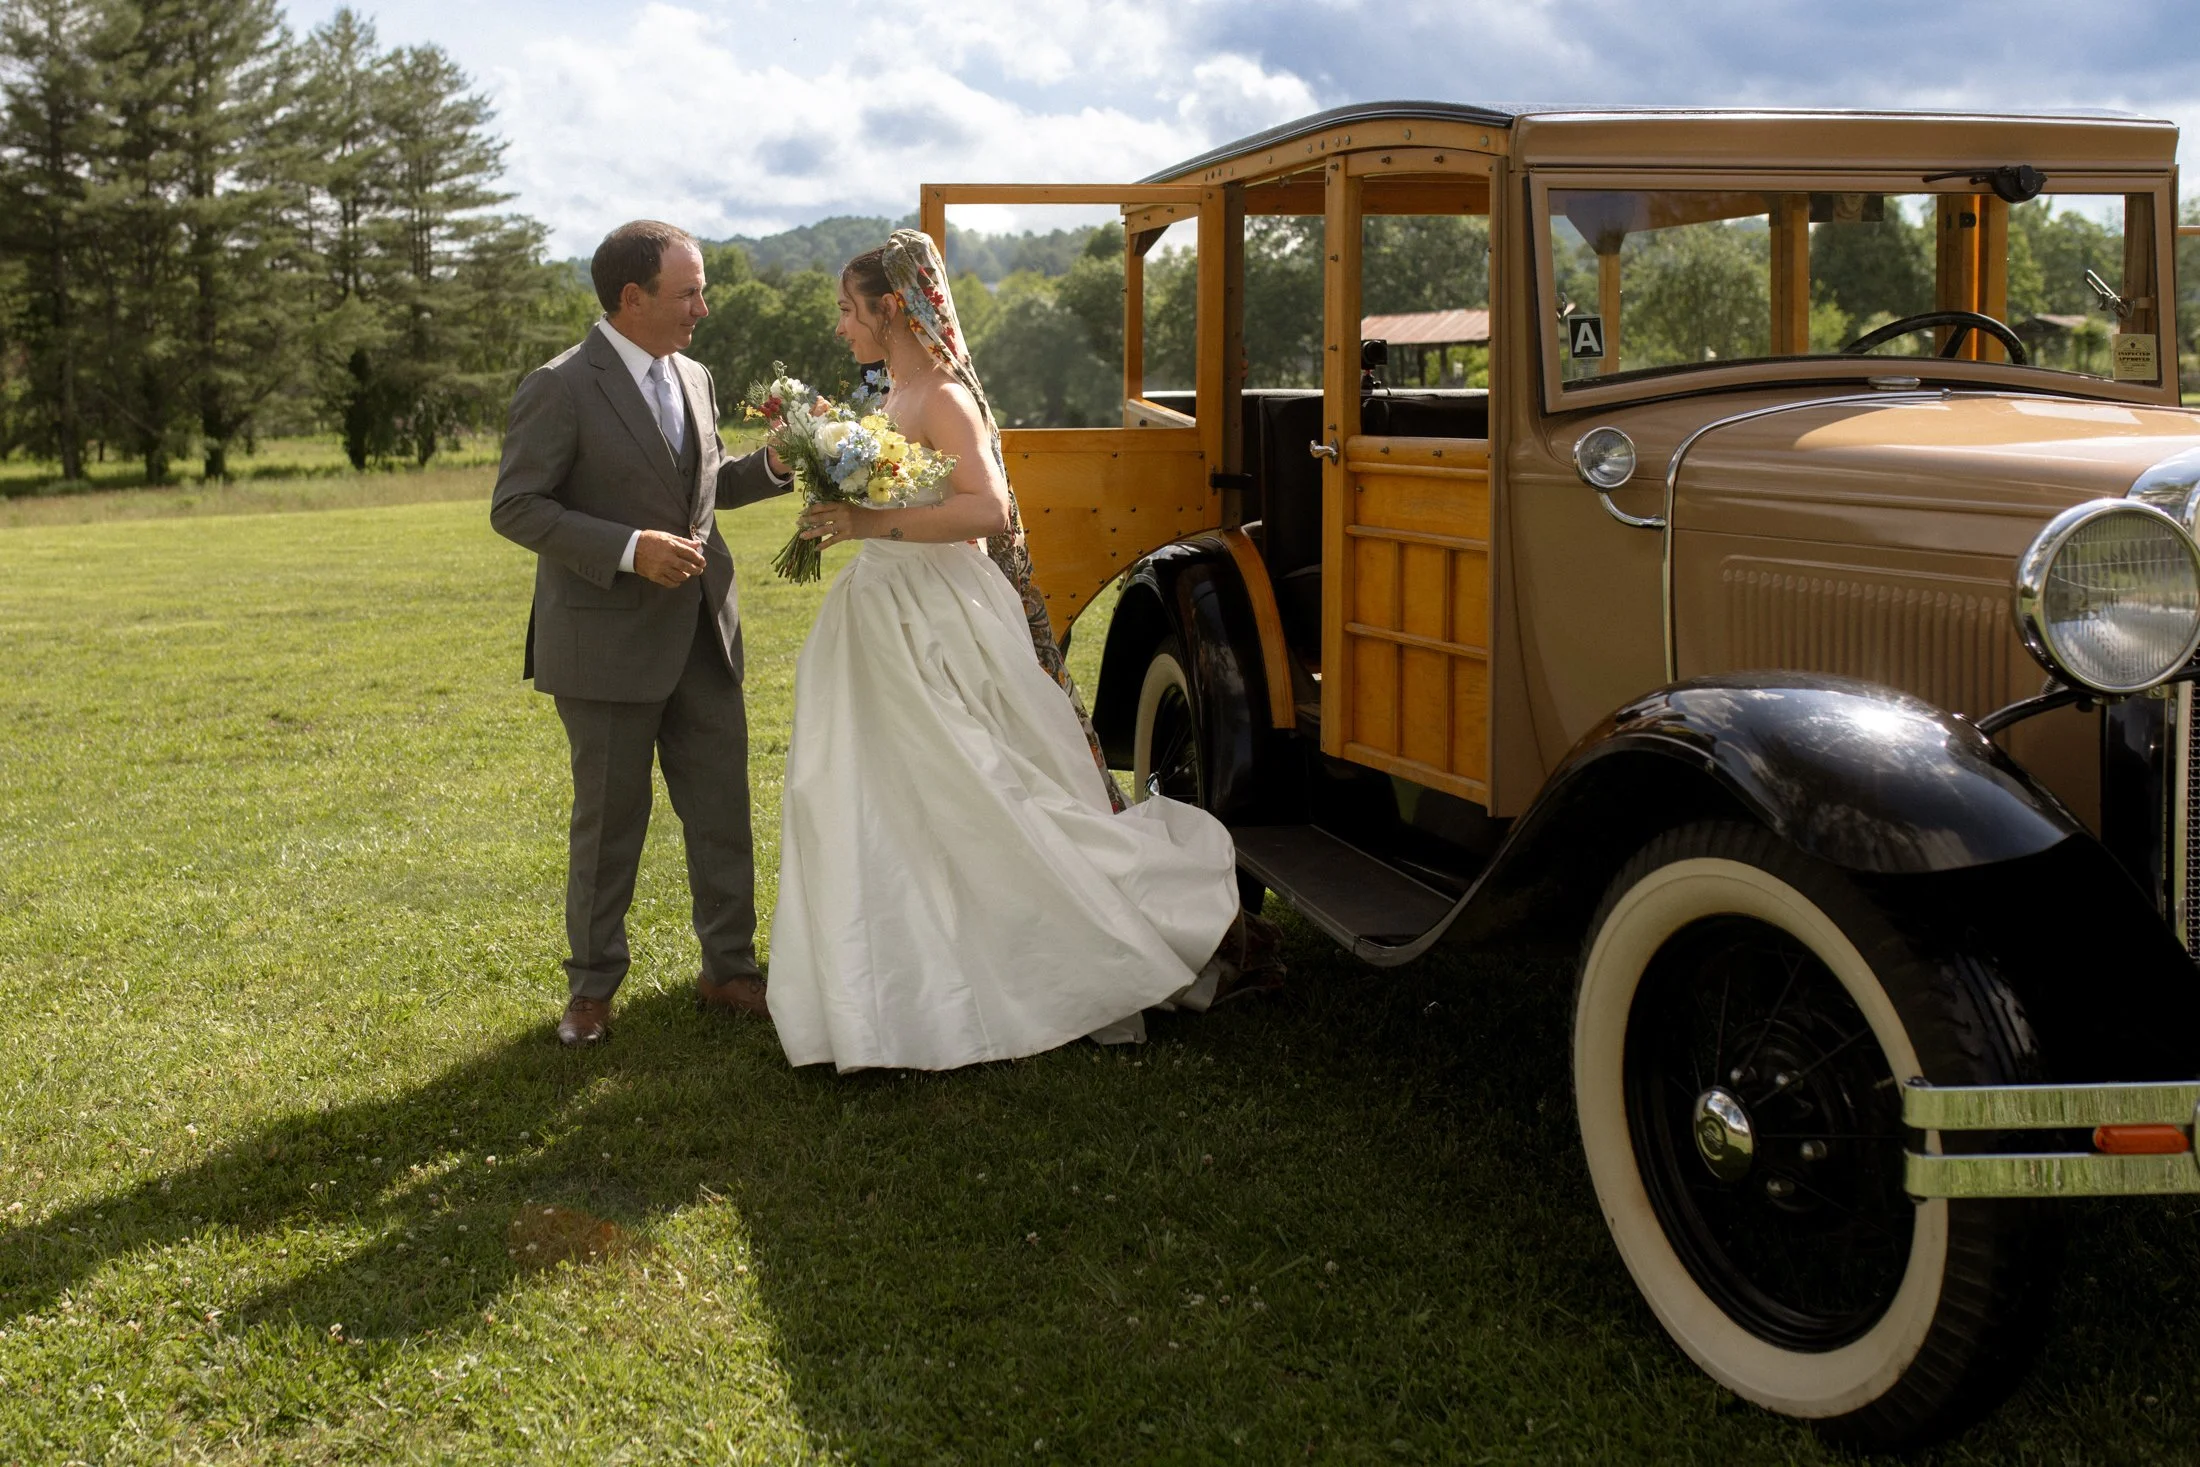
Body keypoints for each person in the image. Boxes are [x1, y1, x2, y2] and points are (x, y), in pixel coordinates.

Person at [764, 229, 1267, 1072]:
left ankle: (1093, 939)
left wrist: (864, 520)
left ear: (891, 309)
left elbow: (987, 511)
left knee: (978, 785)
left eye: (849, 310)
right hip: (886, 607)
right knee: (888, 791)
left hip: (933, 614)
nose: (841, 326)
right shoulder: (897, 387)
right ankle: (912, 961)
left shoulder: (943, 398)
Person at [490, 219, 793, 1046]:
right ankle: (591, 990)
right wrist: (629, 551)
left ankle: (729, 969)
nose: (704, 305)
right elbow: (517, 505)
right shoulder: (558, 386)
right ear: (633, 298)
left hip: (702, 633)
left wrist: (771, 467)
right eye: (688, 290)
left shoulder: (693, 375)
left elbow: (699, 488)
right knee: (609, 822)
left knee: (723, 808)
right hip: (604, 645)